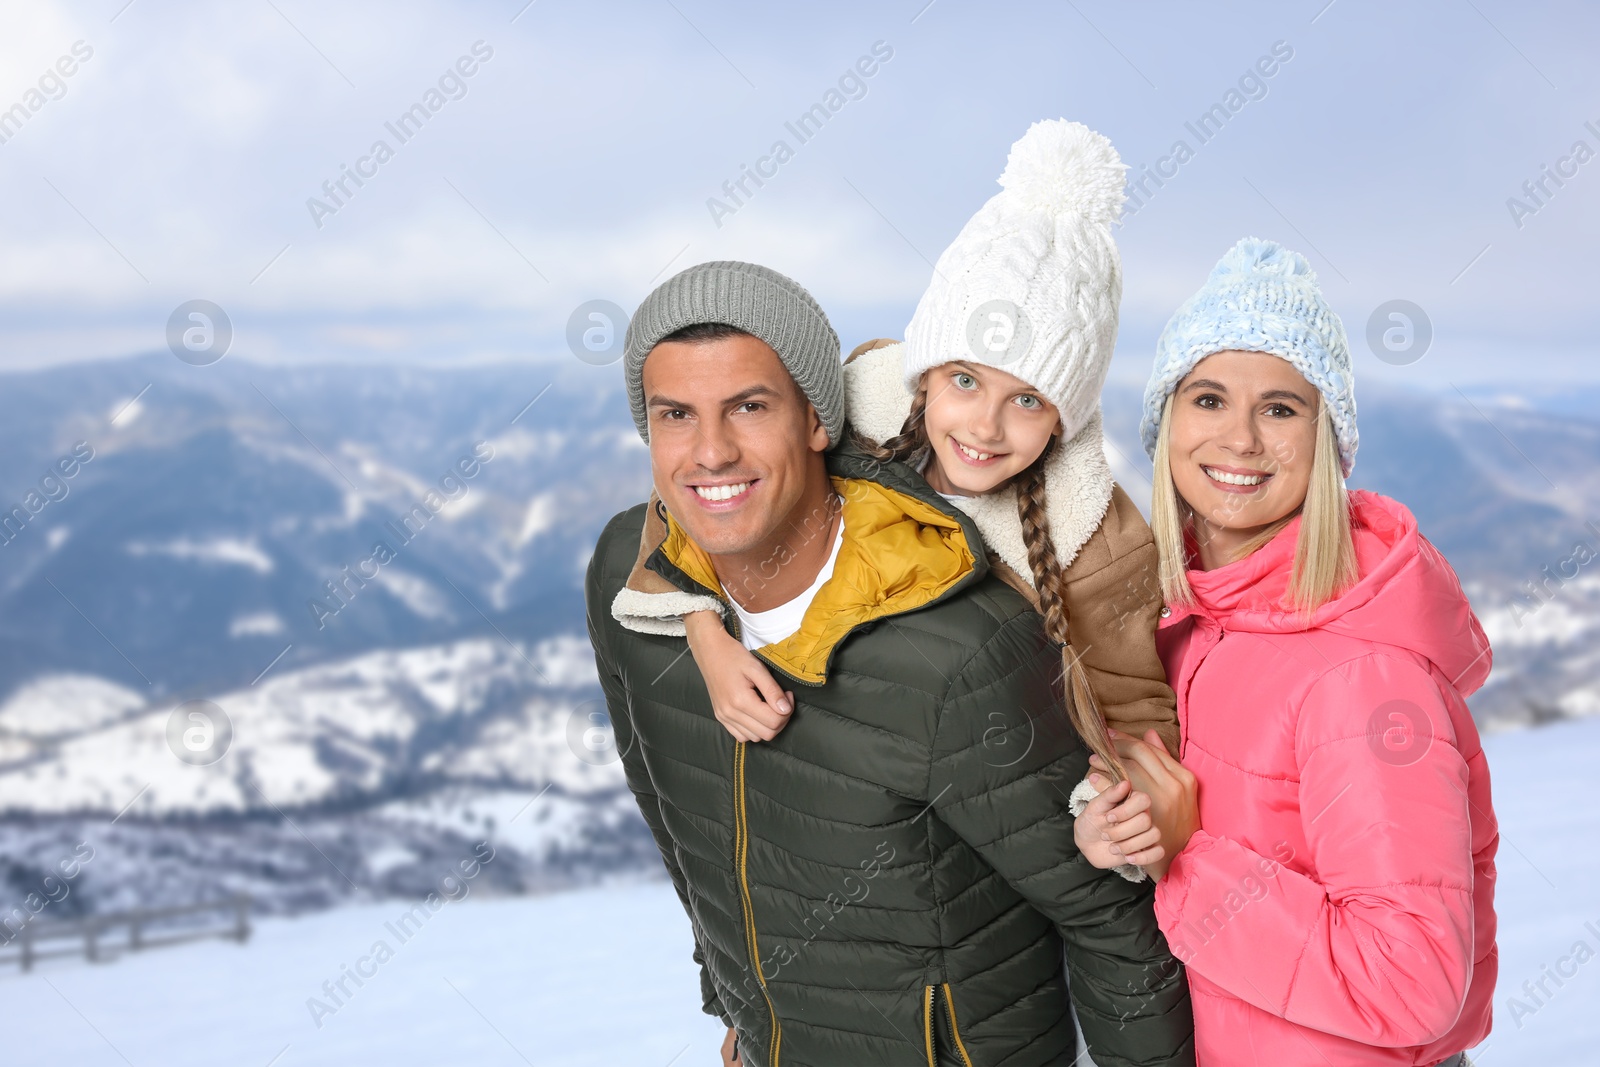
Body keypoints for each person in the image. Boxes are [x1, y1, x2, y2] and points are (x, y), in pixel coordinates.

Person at [585, 258, 1193, 1065]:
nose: (711, 451)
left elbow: (1109, 921)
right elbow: (673, 818)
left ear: (815, 418)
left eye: (749, 407)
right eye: (675, 415)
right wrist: (736, 1002)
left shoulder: (959, 648)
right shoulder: (630, 593)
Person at [612, 121, 1179, 818]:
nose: (984, 426)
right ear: (923, 372)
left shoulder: (1094, 539)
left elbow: (1137, 709)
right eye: (964, 381)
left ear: (1065, 415)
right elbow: (704, 487)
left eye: (1027, 399)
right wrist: (706, 631)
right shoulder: (859, 411)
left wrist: (1109, 809)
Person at [1075, 237, 1498, 1066]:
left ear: (1326, 440)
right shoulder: (1192, 624)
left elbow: (1411, 980)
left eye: (1279, 407)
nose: (1239, 438)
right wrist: (1116, 834)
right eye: (1206, 398)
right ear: (1165, 426)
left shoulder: (1365, 676)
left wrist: (1188, 854)